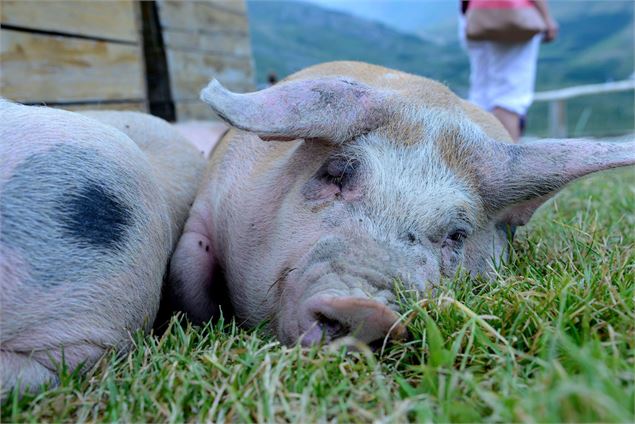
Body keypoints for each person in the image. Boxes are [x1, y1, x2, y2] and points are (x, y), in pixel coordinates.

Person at [461, 0, 558, 141]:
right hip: (511, 16)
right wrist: (547, 18)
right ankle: (503, 161)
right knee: (509, 97)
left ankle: (474, 157)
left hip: (474, 15)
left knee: (481, 93)